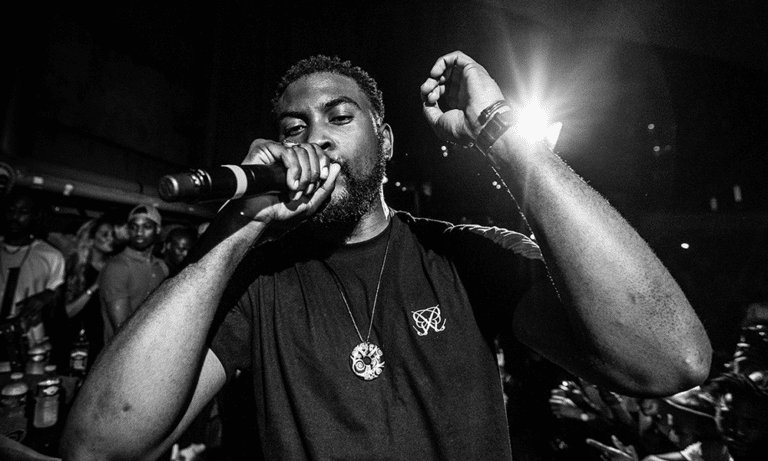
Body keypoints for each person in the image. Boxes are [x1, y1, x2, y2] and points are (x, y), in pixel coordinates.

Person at [61, 51, 711, 460]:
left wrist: (503, 137)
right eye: (293, 129)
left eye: (339, 117)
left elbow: (670, 358)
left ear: (387, 140)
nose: (316, 138)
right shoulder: (260, 280)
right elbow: (98, 444)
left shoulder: (464, 256)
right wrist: (238, 228)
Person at [1, 191, 66, 351]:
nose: (15, 217)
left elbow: (58, 308)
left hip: (30, 344)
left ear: (35, 216)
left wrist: (47, 297)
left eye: (23, 212)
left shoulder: (51, 255)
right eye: (11, 210)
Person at [97, 203, 167, 344]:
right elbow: (122, 330)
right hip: (122, 352)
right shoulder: (117, 267)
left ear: (158, 229)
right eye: (134, 227)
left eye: (146, 227)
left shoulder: (161, 266)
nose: (139, 232)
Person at [63, 215, 117, 365]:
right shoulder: (78, 267)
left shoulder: (114, 267)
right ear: (92, 239)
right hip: (80, 339)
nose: (111, 238)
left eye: (113, 234)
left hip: (105, 338)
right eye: (105, 234)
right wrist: (94, 287)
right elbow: (68, 311)